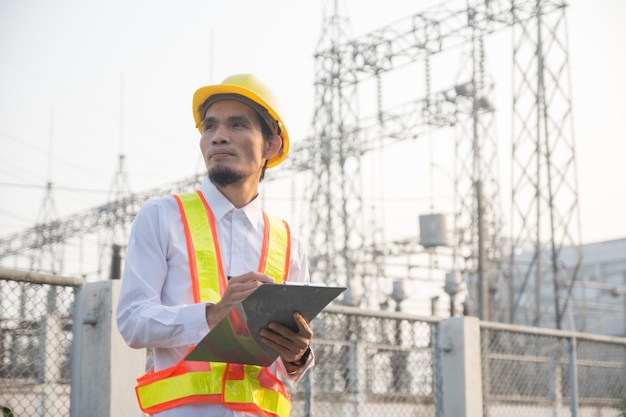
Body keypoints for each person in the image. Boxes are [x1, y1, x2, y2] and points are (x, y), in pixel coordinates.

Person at [116, 74, 313, 417]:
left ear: (271, 146)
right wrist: (212, 314)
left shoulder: (289, 241)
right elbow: (133, 321)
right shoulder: (161, 217)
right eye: (209, 127)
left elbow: (285, 364)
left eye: (237, 124)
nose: (218, 136)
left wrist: (298, 356)